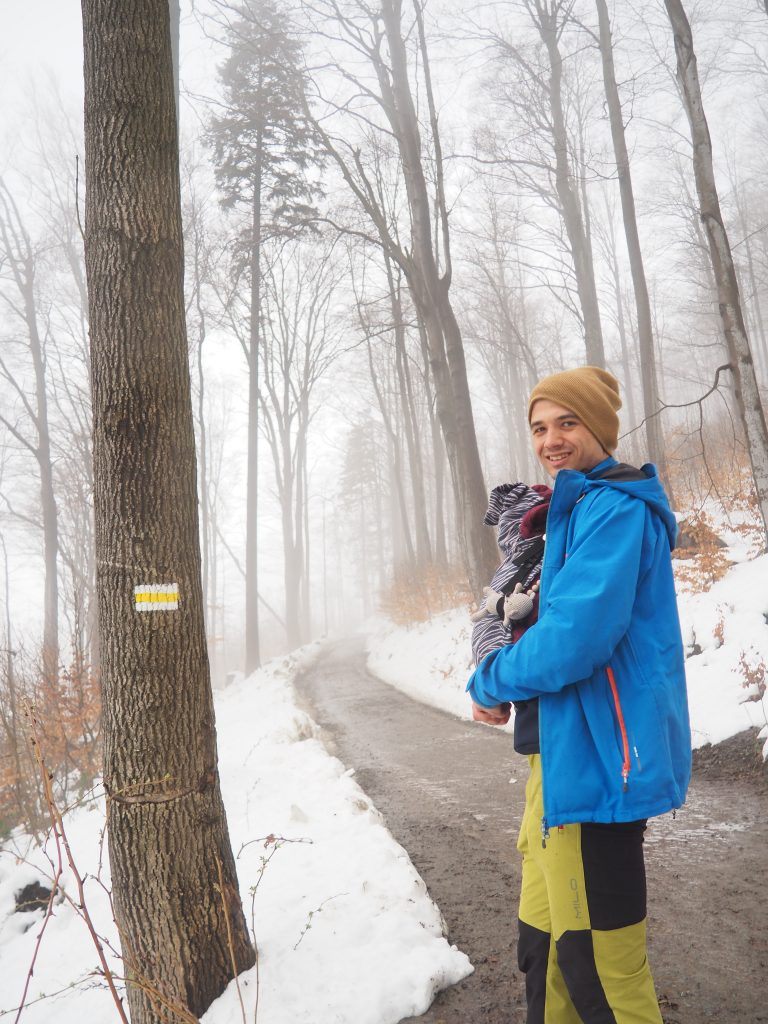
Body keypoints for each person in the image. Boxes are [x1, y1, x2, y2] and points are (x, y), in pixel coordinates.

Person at [467, 366, 691, 1024]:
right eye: (540, 427)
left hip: (600, 765)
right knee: (545, 953)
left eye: (567, 422)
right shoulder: (569, 512)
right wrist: (496, 642)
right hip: (557, 759)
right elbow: (514, 611)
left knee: (601, 972)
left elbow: (573, 639)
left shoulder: (615, 510)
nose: (551, 439)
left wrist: (491, 677)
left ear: (599, 427)